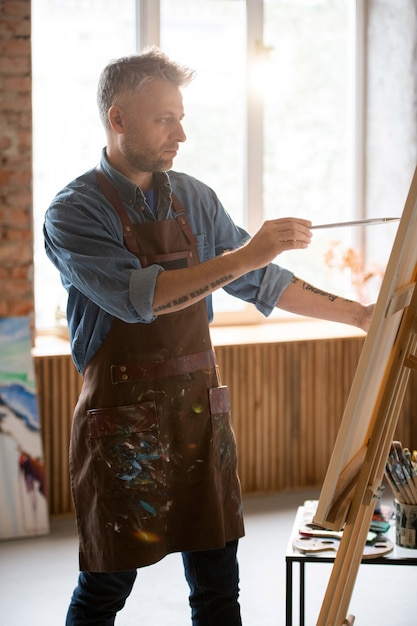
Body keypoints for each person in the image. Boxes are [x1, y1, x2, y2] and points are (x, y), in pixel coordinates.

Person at [43, 47, 373, 626]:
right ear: (118, 120)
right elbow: (138, 298)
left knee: (219, 589)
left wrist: (361, 316)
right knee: (105, 588)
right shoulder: (73, 212)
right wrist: (249, 252)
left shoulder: (194, 195)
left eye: (182, 116)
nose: (181, 135)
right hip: (123, 425)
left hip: (200, 415)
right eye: (165, 119)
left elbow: (260, 280)